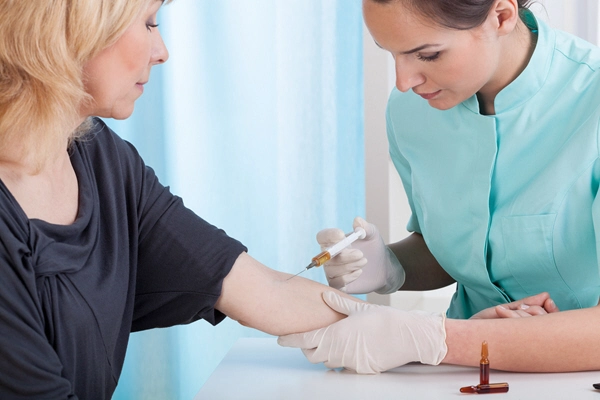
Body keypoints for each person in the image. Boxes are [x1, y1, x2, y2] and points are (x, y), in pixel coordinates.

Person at [0, 0, 355, 398]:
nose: (162, 52)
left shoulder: (104, 161)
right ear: (73, 29)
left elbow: (266, 291)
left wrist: (420, 336)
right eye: (149, 24)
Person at [278, 0, 600, 374]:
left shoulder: (591, 102)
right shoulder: (410, 111)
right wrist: (389, 265)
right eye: (391, 54)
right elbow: (459, 249)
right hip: (458, 373)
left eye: (427, 55)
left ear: (501, 16)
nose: (404, 81)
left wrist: (432, 338)